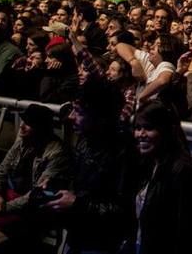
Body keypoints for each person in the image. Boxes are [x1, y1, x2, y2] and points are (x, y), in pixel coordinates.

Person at [45, 80, 138, 254]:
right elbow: (80, 183)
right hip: (79, 236)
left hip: (105, 245)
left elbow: (123, 212)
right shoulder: (86, 140)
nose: (71, 116)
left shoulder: (125, 151)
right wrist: (55, 185)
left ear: (99, 116)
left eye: (78, 111)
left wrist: (77, 203)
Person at [0, 104, 69, 251]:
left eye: (29, 124)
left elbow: (38, 195)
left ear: (41, 128)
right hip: (11, 198)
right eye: (23, 121)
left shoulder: (56, 153)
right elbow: (0, 172)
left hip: (35, 209)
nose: (22, 126)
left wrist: (4, 207)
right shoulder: (22, 143)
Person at [132, 101, 192, 254]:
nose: (141, 135)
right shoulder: (148, 163)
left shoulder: (183, 171)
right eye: (138, 128)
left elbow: (189, 236)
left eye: (149, 128)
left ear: (165, 131)